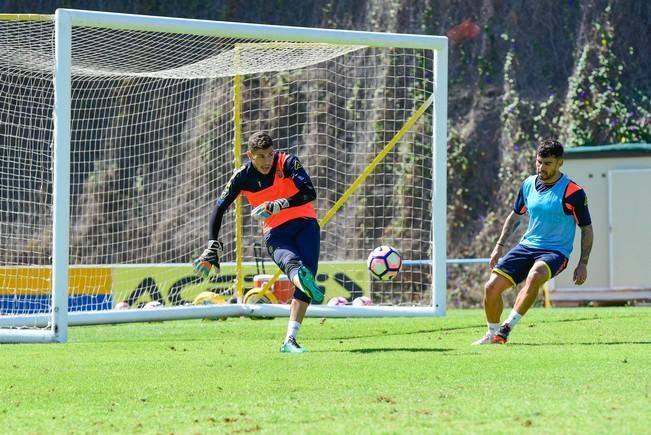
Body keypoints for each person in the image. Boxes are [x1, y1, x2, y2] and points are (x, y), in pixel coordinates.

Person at [192, 131, 323, 353]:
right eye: (261, 156)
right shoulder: (242, 176)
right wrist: (212, 244)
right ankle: (300, 279)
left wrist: (279, 204)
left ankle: (290, 339)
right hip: (276, 232)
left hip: (306, 224)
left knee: (306, 279)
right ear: (250, 155)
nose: (267, 161)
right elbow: (219, 208)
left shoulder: (288, 162)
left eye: (270, 154)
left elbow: (309, 192)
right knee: (291, 263)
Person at [473, 138, 593, 345]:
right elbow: (515, 216)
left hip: (555, 252)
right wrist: (499, 246)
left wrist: (583, 263)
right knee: (491, 287)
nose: (541, 167)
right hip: (527, 246)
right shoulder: (528, 184)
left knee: (535, 274)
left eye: (547, 163)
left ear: (559, 163)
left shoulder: (573, 192)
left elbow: (586, 228)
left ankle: (506, 327)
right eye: (539, 162)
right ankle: (492, 334)